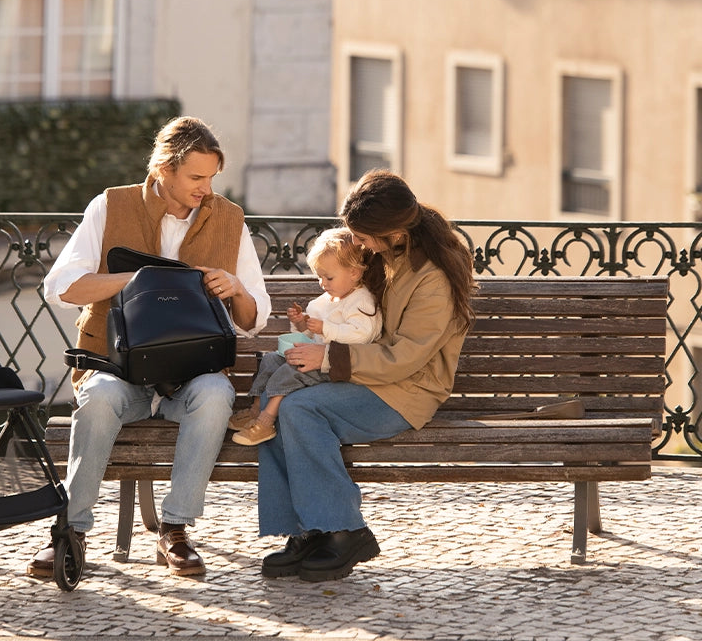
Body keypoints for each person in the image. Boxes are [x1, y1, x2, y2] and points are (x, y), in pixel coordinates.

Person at [27, 115, 271, 579]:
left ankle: (175, 528)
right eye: (196, 177)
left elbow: (254, 320)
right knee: (97, 398)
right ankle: (70, 532)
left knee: (217, 395)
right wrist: (140, 281)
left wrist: (235, 287)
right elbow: (60, 288)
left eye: (212, 177)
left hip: (192, 375)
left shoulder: (230, 219)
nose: (206, 188)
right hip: (118, 370)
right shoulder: (110, 206)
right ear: (164, 169)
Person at [256, 169, 476, 583]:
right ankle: (307, 531)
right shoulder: (385, 253)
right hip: (369, 375)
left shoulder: (433, 278)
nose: (357, 242)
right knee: (280, 402)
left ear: (393, 230)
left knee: (301, 410)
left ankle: (344, 532)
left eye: (362, 235)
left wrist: (327, 358)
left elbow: (405, 358)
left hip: (407, 390)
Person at [228, 227, 383, 446]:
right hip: (314, 359)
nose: (323, 283)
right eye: (319, 277)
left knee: (292, 369)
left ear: (354, 273)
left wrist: (325, 328)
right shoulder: (327, 299)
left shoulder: (362, 301)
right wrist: (301, 322)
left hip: (338, 368)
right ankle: (255, 409)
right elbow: (307, 335)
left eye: (328, 277)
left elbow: (362, 334)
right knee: (272, 360)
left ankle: (266, 421)